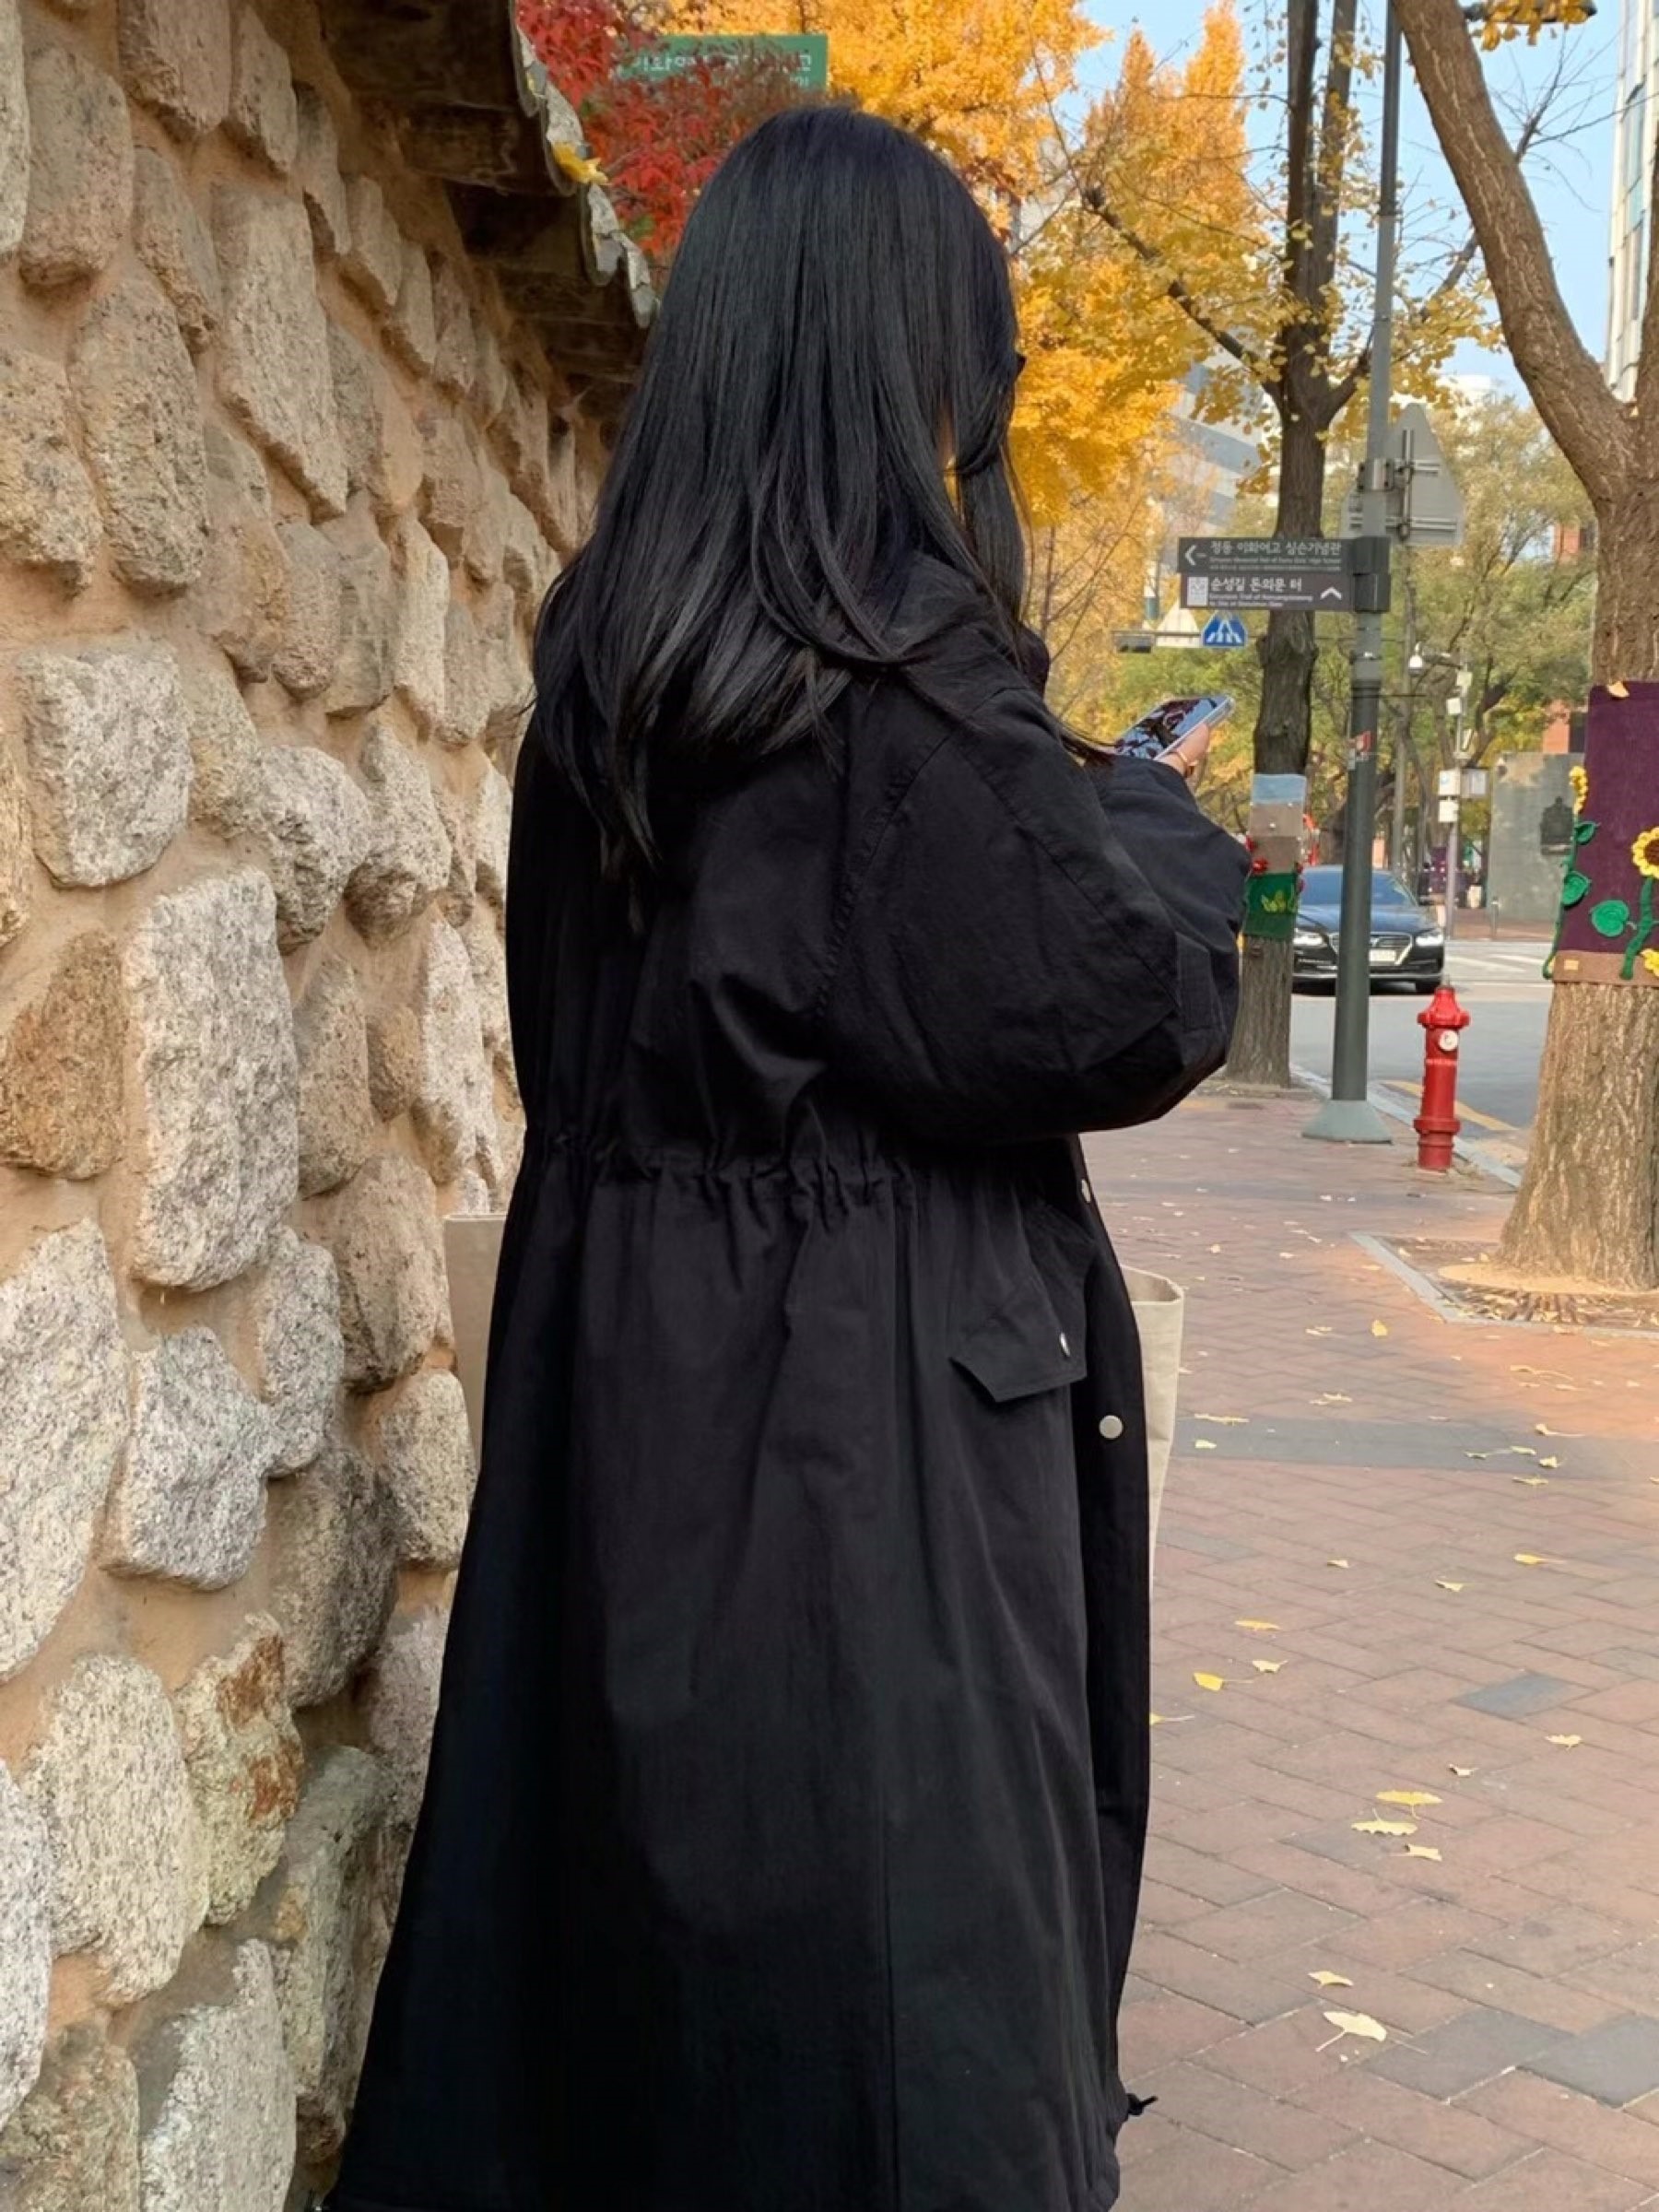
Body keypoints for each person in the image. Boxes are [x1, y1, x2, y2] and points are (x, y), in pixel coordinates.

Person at [333, 105, 1248, 2212]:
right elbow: (1116, 996)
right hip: (869, 1462)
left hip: (632, 1419)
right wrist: (1160, 821)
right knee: (897, 2028)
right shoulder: (893, 695)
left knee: (640, 2007)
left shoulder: (611, 683)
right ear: (889, 366)